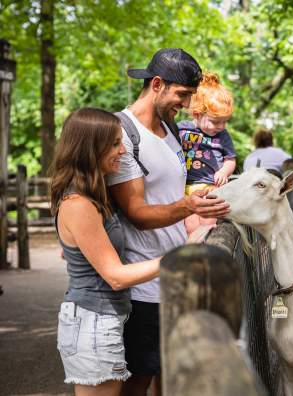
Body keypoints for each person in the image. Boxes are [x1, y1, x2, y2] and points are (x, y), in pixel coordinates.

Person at [107, 48, 230, 396]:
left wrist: (199, 205)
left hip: (176, 276)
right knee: (139, 379)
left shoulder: (170, 128)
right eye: (182, 95)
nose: (187, 103)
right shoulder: (122, 132)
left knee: (172, 375)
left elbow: (172, 193)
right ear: (157, 84)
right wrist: (189, 205)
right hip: (143, 281)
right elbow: (137, 212)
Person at [50, 108, 162, 396]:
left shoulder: (93, 194)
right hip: (92, 322)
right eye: (114, 144)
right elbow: (115, 276)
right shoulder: (78, 203)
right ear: (90, 148)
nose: (123, 150)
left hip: (103, 319)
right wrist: (173, 261)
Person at [178, 72, 236, 234]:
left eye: (225, 122)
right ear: (197, 114)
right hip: (184, 187)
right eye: (216, 122)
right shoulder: (181, 129)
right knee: (190, 227)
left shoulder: (222, 136)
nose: (222, 127)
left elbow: (230, 159)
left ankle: (208, 253)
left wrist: (224, 171)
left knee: (208, 225)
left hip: (209, 185)